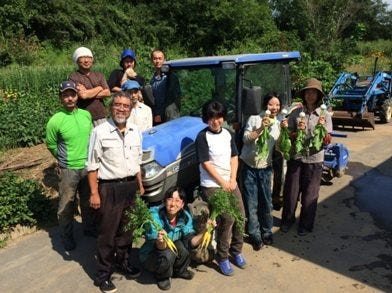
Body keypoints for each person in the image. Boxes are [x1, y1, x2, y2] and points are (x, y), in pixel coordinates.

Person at [87, 91, 144, 293]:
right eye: (118, 105)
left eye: (125, 106)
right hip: (109, 188)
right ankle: (103, 275)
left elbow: (137, 161)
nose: (121, 109)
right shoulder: (100, 132)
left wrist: (140, 185)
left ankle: (124, 262)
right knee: (107, 233)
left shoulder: (135, 131)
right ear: (111, 107)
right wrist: (94, 193)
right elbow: (92, 166)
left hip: (131, 187)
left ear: (130, 109)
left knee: (127, 231)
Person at [195, 100, 246, 276]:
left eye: (219, 117)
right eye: (211, 117)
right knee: (228, 218)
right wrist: (223, 183)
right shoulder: (202, 137)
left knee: (240, 216)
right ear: (206, 119)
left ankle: (236, 251)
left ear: (223, 118)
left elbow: (234, 157)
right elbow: (206, 163)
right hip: (212, 185)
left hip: (230, 182)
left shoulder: (228, 134)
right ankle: (222, 257)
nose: (215, 121)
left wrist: (232, 179)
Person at [45, 80, 95, 251]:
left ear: (76, 96)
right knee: (67, 205)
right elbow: (51, 144)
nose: (69, 98)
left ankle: (89, 228)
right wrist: (62, 159)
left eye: (72, 94)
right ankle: (67, 237)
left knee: (88, 201)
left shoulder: (85, 115)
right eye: (65, 95)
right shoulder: (55, 120)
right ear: (60, 98)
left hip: (87, 166)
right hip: (68, 169)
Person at [280, 78, 332, 236]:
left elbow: (327, 139)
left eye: (314, 93)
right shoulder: (296, 113)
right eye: (308, 92)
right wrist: (296, 132)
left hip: (315, 160)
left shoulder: (325, 115)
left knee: (310, 195)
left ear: (318, 95)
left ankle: (306, 224)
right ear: (304, 94)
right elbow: (288, 136)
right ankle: (288, 220)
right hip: (296, 158)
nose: (310, 95)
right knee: (291, 192)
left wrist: (321, 130)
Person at [139, 186, 212, 290]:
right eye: (170, 199)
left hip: (170, 245)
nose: (173, 204)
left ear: (182, 204)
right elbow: (159, 247)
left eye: (177, 200)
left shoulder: (185, 217)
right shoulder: (154, 216)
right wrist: (161, 240)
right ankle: (162, 276)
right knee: (168, 254)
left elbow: (191, 242)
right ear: (164, 202)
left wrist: (205, 231)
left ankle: (180, 271)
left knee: (184, 248)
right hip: (151, 255)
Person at [240, 93, 282, 251]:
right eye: (271, 104)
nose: (274, 108)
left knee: (266, 202)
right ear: (265, 105)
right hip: (249, 167)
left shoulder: (278, 123)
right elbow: (245, 139)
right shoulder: (254, 119)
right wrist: (260, 128)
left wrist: (286, 133)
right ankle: (254, 234)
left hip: (265, 168)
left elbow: (279, 145)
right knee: (252, 203)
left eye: (277, 105)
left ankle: (266, 231)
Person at [69, 46, 110, 126]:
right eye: (83, 57)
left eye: (89, 57)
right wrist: (99, 88)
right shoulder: (73, 77)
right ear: (77, 60)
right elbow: (83, 95)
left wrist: (88, 93)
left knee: (102, 137)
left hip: (100, 115)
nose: (86, 60)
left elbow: (107, 92)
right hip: (83, 116)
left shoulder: (99, 75)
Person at [150, 49, 181, 125]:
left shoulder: (170, 77)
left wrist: (160, 114)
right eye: (155, 58)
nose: (157, 61)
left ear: (164, 60)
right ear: (152, 61)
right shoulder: (153, 79)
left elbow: (172, 98)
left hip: (170, 116)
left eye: (160, 58)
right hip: (158, 117)